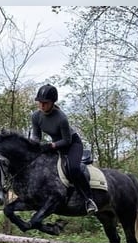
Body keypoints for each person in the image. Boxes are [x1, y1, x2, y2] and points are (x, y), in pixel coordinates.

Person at [29, 84, 97, 213]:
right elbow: (36, 136)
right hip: (55, 144)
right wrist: (33, 145)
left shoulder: (61, 118)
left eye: (45, 103)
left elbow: (67, 140)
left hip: (72, 144)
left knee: (73, 169)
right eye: (40, 102)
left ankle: (89, 200)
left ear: (52, 102)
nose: (42, 106)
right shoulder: (36, 116)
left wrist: (51, 146)